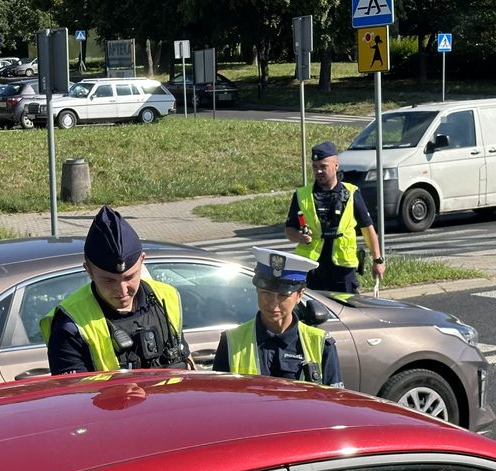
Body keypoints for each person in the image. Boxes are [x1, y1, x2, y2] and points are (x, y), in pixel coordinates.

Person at [42, 205, 192, 375]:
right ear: (88, 270)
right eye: (108, 280)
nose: (122, 290)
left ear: (142, 260)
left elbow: (186, 363)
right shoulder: (70, 325)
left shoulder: (167, 297)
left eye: (129, 277)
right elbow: (74, 396)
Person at [212, 247, 343, 387]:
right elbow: (220, 400)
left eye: (282, 296)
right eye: (266, 293)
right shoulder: (232, 341)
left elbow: (333, 403)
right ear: (257, 290)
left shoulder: (321, 343)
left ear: (300, 295)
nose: (273, 304)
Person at [285, 141, 385, 293]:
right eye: (315, 167)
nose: (318, 171)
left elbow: (367, 228)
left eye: (323, 166)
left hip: (343, 269)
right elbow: (289, 230)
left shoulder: (351, 193)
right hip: (312, 267)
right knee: (313, 311)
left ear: (336, 165)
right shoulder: (302, 195)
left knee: (348, 311)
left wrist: (378, 260)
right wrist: (299, 237)